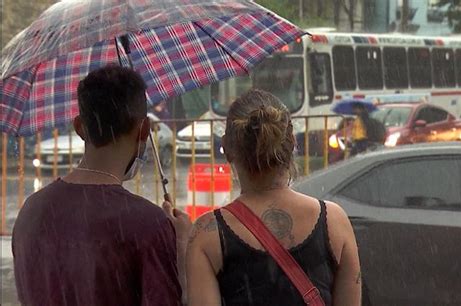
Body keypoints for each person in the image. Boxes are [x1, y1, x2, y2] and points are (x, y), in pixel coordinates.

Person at [12, 65, 191, 306]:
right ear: (145, 130)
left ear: (79, 127)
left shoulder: (31, 210)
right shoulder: (147, 224)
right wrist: (182, 250)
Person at [186, 89, 361, 305]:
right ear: (291, 143)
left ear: (227, 148)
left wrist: (180, 243)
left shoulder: (207, 234)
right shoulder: (334, 221)